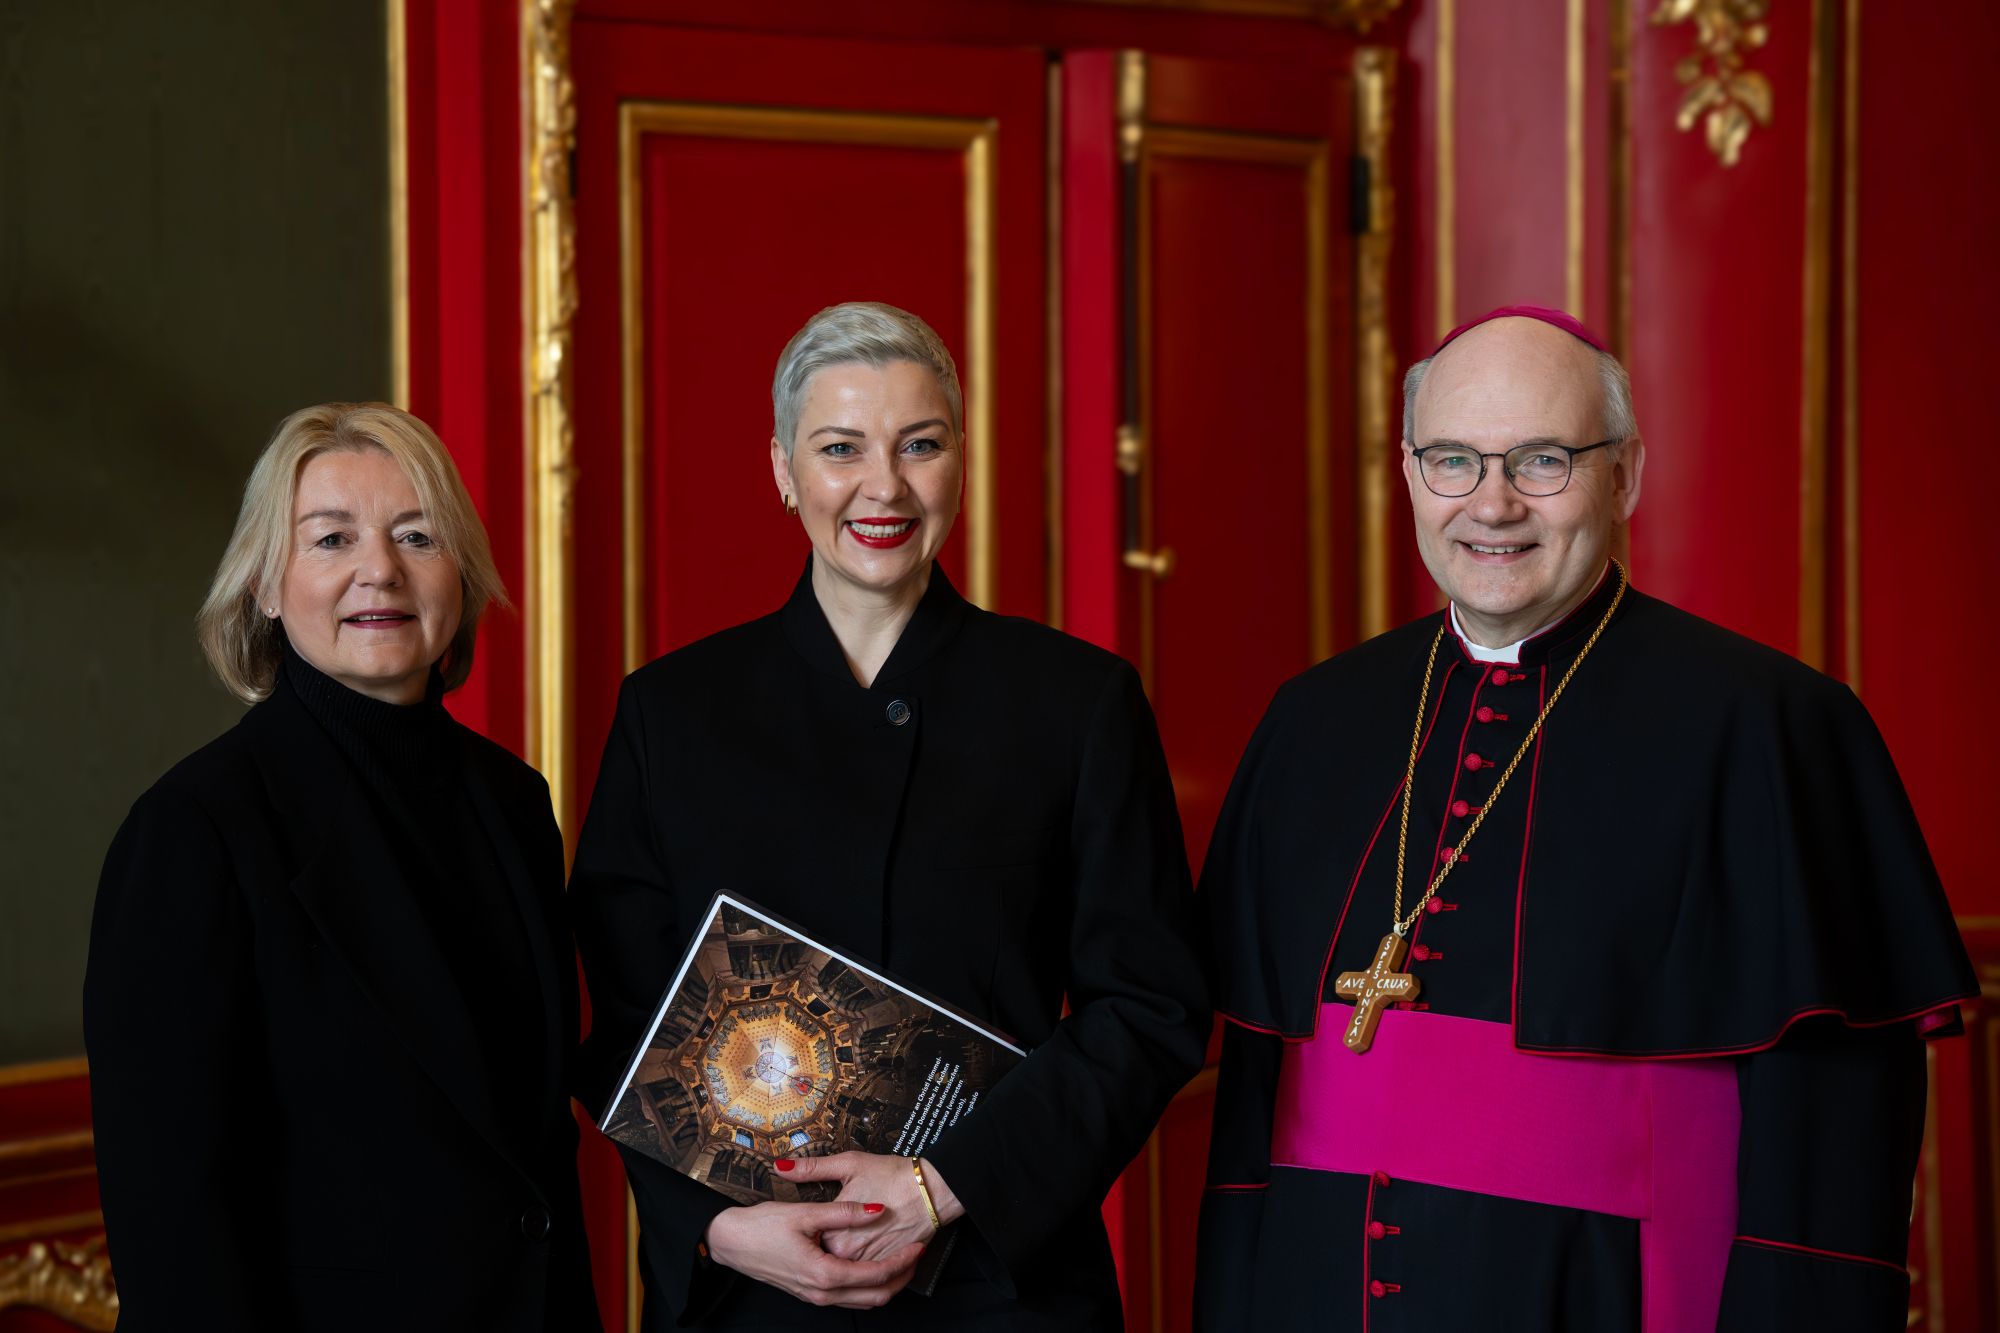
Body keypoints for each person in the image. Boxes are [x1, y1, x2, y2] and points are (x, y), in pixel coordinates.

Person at [1193, 307, 1977, 1332]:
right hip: (1317, 1285)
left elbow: (1830, 1128)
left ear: (1625, 476)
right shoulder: (1312, 718)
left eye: (1542, 460)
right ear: (1406, 470)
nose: (1492, 504)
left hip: (1619, 1290)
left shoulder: (1770, 725)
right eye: (1452, 461)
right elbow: (1254, 1088)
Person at [571, 301, 1209, 1329]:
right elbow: (617, 1023)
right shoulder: (671, 712)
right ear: (782, 470)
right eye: (840, 449)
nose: (884, 486)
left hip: (999, 1283)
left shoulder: (1077, 702)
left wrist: (941, 1187)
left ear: (960, 461)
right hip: (752, 1293)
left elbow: (1148, 1009)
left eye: (920, 445)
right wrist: (718, 1225)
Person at [83, 404, 600, 1332]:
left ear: (461, 574)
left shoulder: (516, 802)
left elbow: (537, 1149)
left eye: (417, 534)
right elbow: (174, 1221)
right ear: (268, 587)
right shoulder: (194, 831)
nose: (381, 570)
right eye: (332, 538)